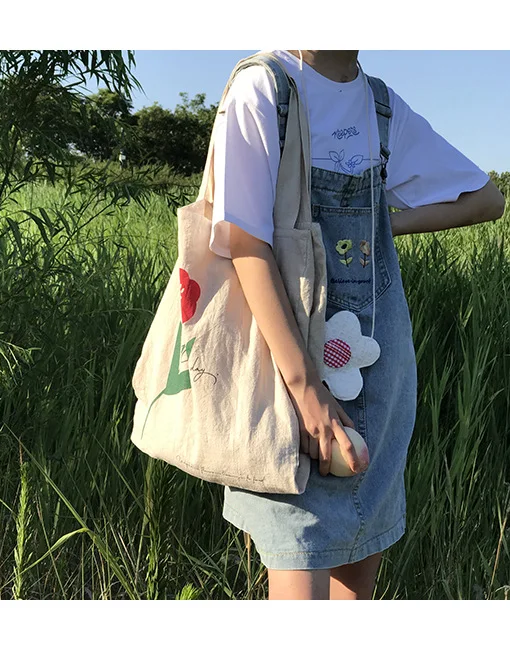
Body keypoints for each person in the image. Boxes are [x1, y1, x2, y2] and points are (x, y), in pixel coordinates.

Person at [210, 50, 506, 600]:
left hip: (377, 380)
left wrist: (379, 225)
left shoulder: (380, 106)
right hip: (287, 382)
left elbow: (485, 199)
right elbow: (245, 244)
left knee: (357, 586)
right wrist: (306, 389)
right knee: (297, 564)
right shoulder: (265, 88)